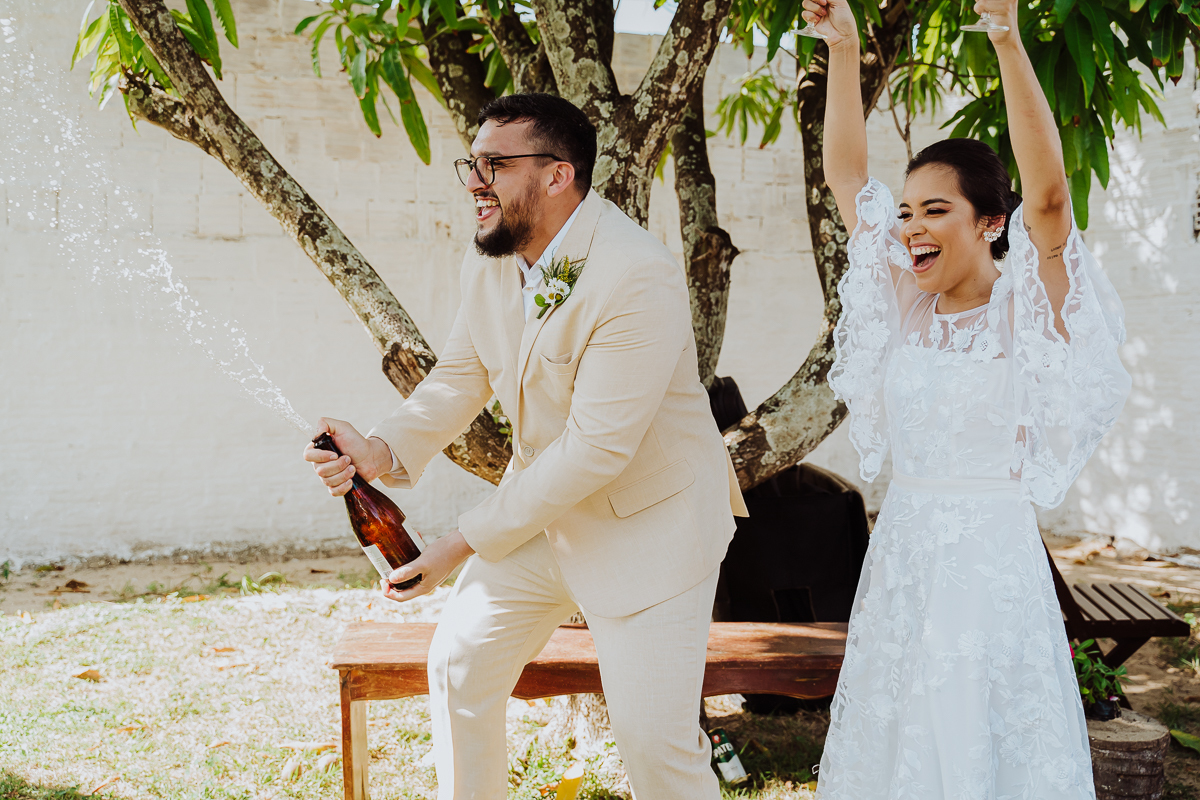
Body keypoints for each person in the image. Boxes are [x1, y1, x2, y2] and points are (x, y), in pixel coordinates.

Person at [304, 92, 748, 799]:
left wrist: (456, 545)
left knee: (654, 745)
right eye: (471, 164)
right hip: (546, 520)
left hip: (652, 529)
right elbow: (462, 373)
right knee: (460, 666)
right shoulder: (492, 259)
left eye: (494, 164)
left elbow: (598, 449)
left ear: (557, 175)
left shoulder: (638, 273)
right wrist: (380, 449)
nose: (475, 180)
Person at [801, 0, 1131, 796]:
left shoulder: (1027, 309)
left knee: (984, 739)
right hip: (906, 554)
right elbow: (847, 176)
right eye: (906, 212)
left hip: (991, 562)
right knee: (900, 739)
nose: (910, 227)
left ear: (989, 223)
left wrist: (1009, 41)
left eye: (934, 211)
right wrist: (844, 50)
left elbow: (1049, 200)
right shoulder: (908, 302)